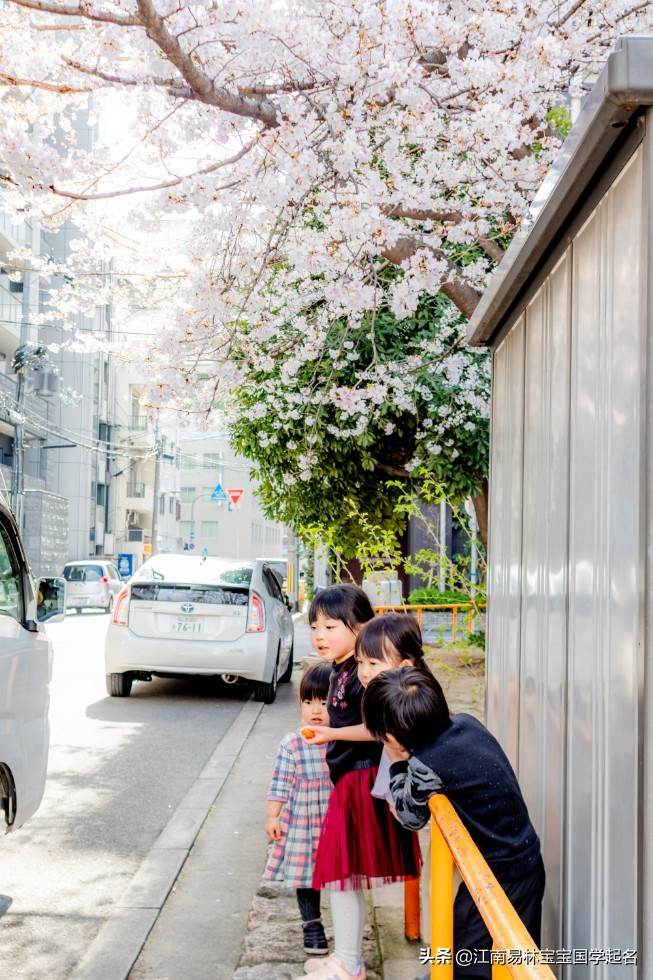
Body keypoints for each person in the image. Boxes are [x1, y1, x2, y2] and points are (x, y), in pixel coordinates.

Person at [362, 667, 546, 980]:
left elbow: (409, 815)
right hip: (527, 860)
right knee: (516, 955)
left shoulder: (426, 765)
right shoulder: (467, 723)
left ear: (391, 738)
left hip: (494, 879)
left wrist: (396, 766)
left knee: (467, 959)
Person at [299, 585, 421, 980]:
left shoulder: (364, 672)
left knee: (340, 875)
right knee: (342, 876)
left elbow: (378, 728)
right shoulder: (341, 669)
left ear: (362, 627)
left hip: (362, 780)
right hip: (351, 781)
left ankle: (347, 962)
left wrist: (332, 735)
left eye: (331, 626)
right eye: (314, 626)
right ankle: (345, 958)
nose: (320, 635)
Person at [264, 661, 333, 956]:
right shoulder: (292, 743)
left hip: (334, 816)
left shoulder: (341, 739)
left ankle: (345, 927)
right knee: (306, 875)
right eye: (308, 702)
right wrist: (272, 815)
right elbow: (280, 782)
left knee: (340, 872)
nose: (315, 710)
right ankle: (312, 925)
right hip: (303, 819)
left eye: (324, 702)